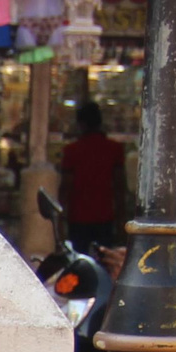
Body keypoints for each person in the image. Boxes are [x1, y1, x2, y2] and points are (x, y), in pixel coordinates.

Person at [60, 101, 126, 248]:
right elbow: (120, 186)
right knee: (104, 262)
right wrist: (122, 217)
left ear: (81, 124)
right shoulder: (114, 149)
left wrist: (60, 218)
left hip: (78, 217)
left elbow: (66, 186)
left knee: (79, 262)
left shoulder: (72, 151)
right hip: (105, 216)